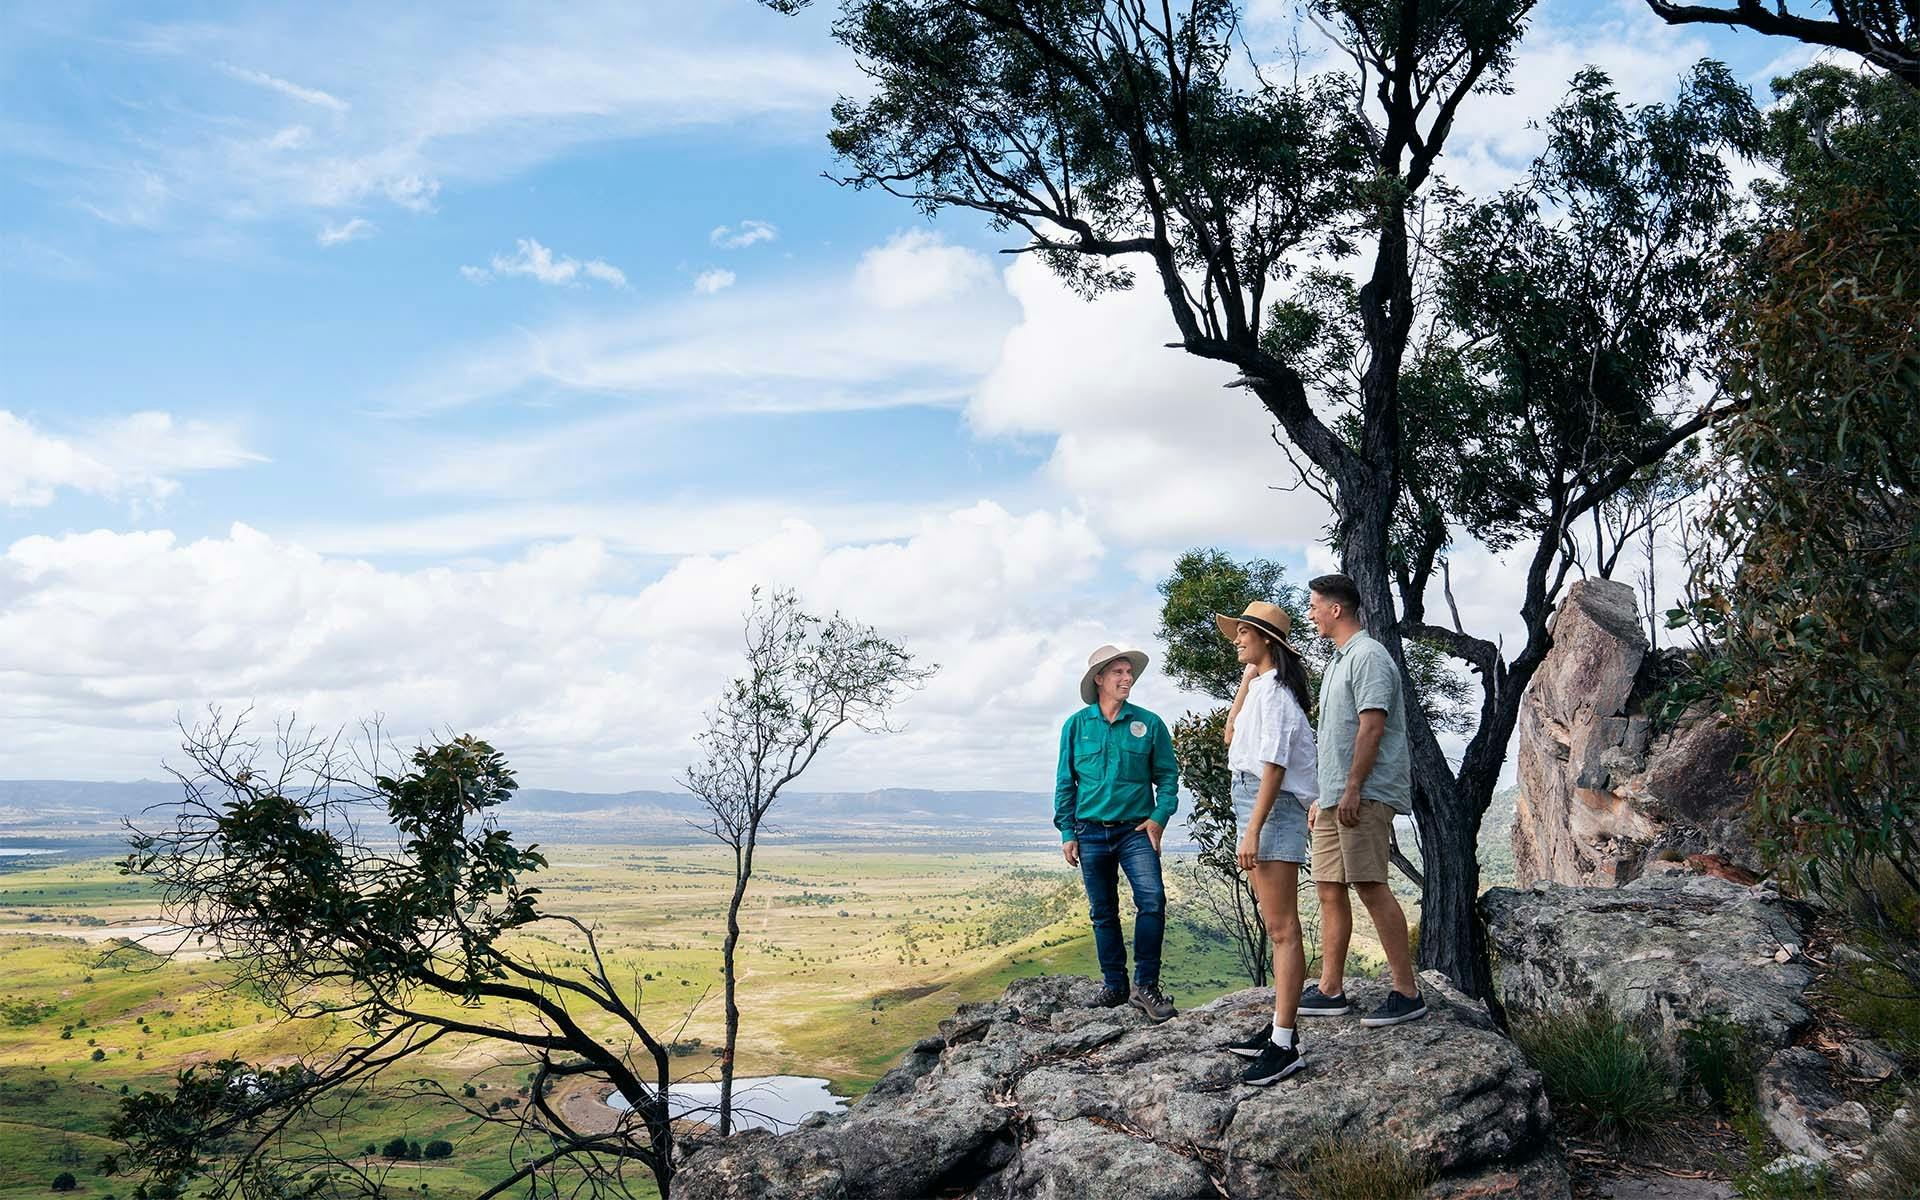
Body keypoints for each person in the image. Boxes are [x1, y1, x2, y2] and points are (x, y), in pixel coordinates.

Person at [1299, 573, 1427, 1027]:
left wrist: (1353, 786)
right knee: (1329, 888)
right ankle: (1330, 989)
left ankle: (1407, 993)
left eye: (1314, 606)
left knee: (1370, 885)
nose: (1310, 614)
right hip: (1335, 796)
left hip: (1364, 794)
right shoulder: (1338, 661)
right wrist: (1324, 795)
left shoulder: (1369, 656)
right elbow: (1335, 737)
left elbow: (1372, 725)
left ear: (1335, 609)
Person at [1211, 602, 1320, 1086]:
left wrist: (1253, 829)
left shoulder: (1276, 696)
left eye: (1243, 633)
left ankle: (1284, 1043)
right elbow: (1229, 733)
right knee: (1276, 925)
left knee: (1282, 929)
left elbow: (1274, 766)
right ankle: (1279, 1031)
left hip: (1269, 805)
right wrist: (1247, 676)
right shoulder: (1261, 688)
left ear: (1267, 641)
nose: (1236, 639)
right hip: (1254, 800)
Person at [1054, 643, 1179, 1022]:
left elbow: (1168, 777)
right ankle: (1114, 986)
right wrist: (1067, 831)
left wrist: (1158, 817)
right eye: (1118, 672)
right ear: (1099, 679)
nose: (1127, 678)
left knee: (1152, 900)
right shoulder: (1076, 726)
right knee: (1103, 912)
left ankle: (1146, 986)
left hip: (1135, 831)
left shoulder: (1149, 724)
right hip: (1089, 832)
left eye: (1129, 672)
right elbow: (1065, 782)